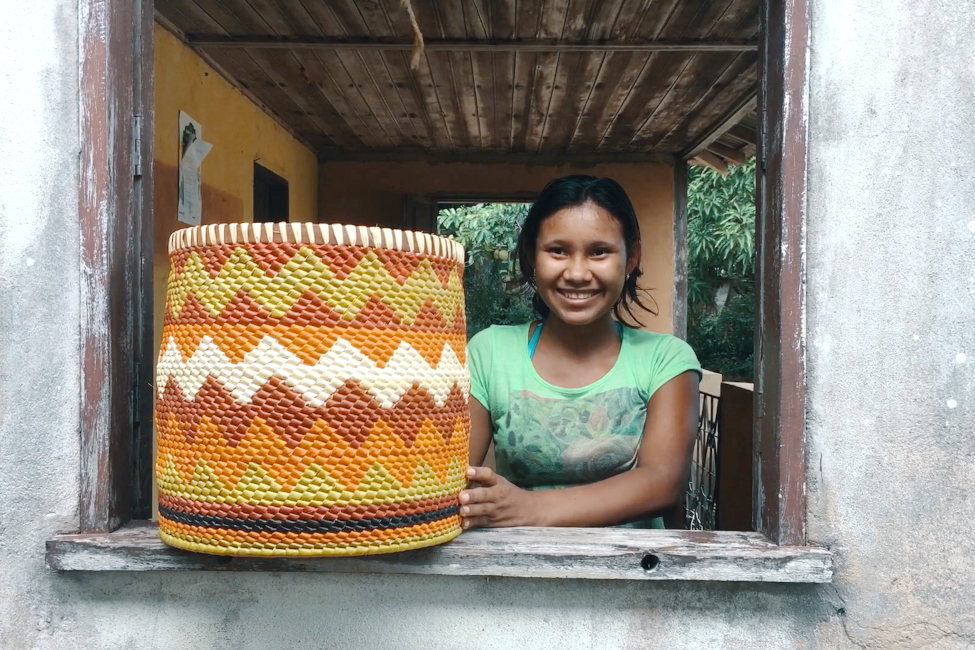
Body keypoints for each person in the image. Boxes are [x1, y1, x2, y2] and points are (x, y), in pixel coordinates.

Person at [460, 175, 701, 529]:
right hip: (513, 572)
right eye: (558, 250)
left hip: (635, 575)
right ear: (531, 255)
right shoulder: (489, 352)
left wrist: (531, 508)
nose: (576, 273)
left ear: (630, 257)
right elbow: (450, 477)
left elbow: (664, 483)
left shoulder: (666, 360)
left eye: (598, 252)